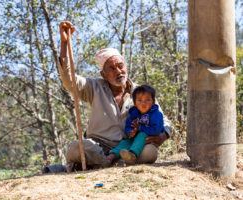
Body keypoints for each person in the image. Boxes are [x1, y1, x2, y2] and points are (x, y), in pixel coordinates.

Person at [58, 21, 171, 172]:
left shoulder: (141, 92)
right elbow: (69, 80)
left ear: (126, 66)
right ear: (103, 75)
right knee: (74, 148)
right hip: (99, 146)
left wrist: (163, 135)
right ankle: (109, 161)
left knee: (150, 152)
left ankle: (110, 161)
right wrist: (65, 43)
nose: (118, 71)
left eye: (120, 66)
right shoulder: (94, 87)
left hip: (129, 144)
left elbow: (163, 119)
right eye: (111, 68)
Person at [106, 85, 164, 165]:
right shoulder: (133, 113)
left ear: (153, 101)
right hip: (134, 139)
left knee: (142, 134)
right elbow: (128, 125)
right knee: (125, 142)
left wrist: (140, 128)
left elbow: (156, 130)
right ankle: (111, 157)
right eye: (139, 100)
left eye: (147, 100)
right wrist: (131, 132)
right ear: (135, 103)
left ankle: (132, 155)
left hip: (147, 141)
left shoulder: (156, 114)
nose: (143, 103)